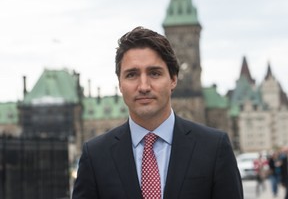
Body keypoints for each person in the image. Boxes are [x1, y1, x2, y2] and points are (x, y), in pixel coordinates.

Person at [72, 26, 243, 199]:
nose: (144, 86)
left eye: (154, 73)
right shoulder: (95, 156)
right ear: (120, 84)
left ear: (173, 79)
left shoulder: (214, 147)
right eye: (132, 75)